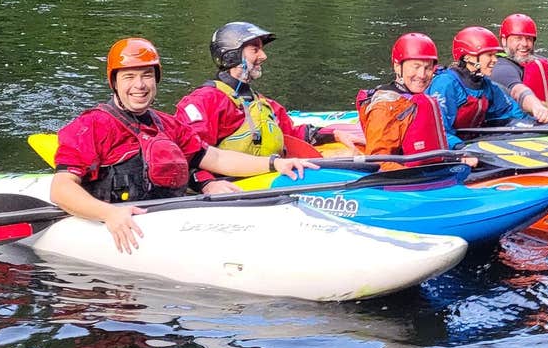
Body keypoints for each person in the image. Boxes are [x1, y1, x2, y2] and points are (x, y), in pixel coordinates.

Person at [51, 37, 315, 254]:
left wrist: (275, 163)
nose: (139, 85)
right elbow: (61, 188)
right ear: (114, 83)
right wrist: (109, 214)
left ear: (156, 80)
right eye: (129, 77)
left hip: (169, 219)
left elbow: (216, 159)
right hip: (119, 219)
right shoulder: (92, 125)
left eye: (147, 76)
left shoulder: (168, 125)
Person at [174, 22, 321, 157]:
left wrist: (329, 134)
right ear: (232, 56)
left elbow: (292, 133)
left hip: (268, 171)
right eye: (255, 50)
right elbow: (190, 153)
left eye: (261, 49)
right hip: (228, 176)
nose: (264, 56)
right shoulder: (205, 100)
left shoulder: (263, 103)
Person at [354, 33, 457, 170]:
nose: (422, 75)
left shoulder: (413, 98)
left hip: (430, 170)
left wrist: (458, 158)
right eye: (416, 67)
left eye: (427, 68)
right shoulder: (384, 107)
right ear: (398, 67)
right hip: (405, 176)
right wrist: (419, 176)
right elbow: (377, 162)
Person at [427, 26, 533, 149]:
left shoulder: (486, 85)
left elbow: (510, 112)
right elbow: (438, 130)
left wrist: (533, 124)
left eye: (495, 55)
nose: (495, 60)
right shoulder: (445, 84)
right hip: (451, 148)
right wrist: (460, 148)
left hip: (471, 143)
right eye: (489, 55)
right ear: (468, 57)